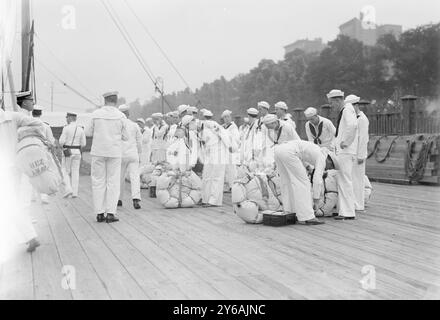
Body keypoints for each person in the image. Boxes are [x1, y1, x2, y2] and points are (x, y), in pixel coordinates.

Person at [0, 99, 43, 252]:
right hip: (13, 167)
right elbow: (39, 124)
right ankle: (28, 235)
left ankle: (27, 236)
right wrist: (24, 137)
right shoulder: (14, 117)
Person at [85, 91, 129, 223]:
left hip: (98, 151)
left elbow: (87, 132)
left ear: (104, 100)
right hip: (114, 152)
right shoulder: (121, 116)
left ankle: (99, 213)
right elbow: (126, 137)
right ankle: (110, 213)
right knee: (113, 182)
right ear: (116, 101)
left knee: (98, 181)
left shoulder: (96, 114)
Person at [273, 140, 336, 225]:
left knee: (287, 182)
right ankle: (307, 217)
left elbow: (301, 154)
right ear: (329, 160)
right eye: (331, 166)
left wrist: (307, 167)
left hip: (278, 150)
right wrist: (316, 201)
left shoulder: (317, 150)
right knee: (303, 183)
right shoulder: (322, 157)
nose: (328, 168)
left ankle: (290, 212)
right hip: (288, 152)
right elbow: (317, 180)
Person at [327, 90, 358, 220]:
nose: (331, 106)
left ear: (338, 100)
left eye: (332, 103)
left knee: (345, 181)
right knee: (343, 180)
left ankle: (348, 212)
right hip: (342, 151)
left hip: (346, 151)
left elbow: (353, 125)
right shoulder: (344, 110)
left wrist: (347, 142)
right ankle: (344, 210)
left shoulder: (347, 109)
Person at [199, 112, 231, 207]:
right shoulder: (197, 131)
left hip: (218, 152)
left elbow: (223, 134)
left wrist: (229, 146)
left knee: (217, 177)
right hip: (209, 153)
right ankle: (205, 198)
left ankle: (214, 201)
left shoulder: (211, 124)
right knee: (206, 176)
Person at [118, 104, 142, 209]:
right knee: (135, 176)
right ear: (128, 113)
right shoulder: (134, 125)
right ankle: (136, 199)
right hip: (133, 154)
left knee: (120, 177)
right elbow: (139, 141)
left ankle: (118, 199)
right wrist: (139, 153)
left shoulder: (117, 125)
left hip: (121, 154)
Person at [59, 112, 87, 198]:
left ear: (70, 118)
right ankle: (75, 192)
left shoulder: (66, 128)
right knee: (75, 172)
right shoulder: (80, 129)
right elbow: (84, 144)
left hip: (68, 151)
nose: (66, 119)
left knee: (64, 170)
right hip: (77, 152)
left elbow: (61, 142)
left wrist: (62, 146)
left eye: (67, 117)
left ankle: (68, 189)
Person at [31, 105, 55, 204]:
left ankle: (32, 196)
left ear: (32, 113)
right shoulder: (45, 125)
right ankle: (44, 196)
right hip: (42, 151)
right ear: (41, 114)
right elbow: (51, 141)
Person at [352, 99, 369, 212]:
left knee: (358, 179)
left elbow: (363, 138)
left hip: (359, 153)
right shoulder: (353, 117)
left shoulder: (362, 119)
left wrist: (361, 156)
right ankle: (354, 202)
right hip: (353, 152)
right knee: (354, 179)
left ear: (356, 105)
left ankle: (359, 204)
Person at [221, 109, 240, 191]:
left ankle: (233, 185)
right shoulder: (222, 127)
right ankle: (226, 184)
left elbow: (236, 139)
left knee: (231, 168)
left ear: (230, 117)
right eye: (225, 117)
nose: (226, 119)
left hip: (231, 149)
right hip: (223, 150)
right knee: (224, 168)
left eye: (228, 117)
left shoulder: (233, 127)